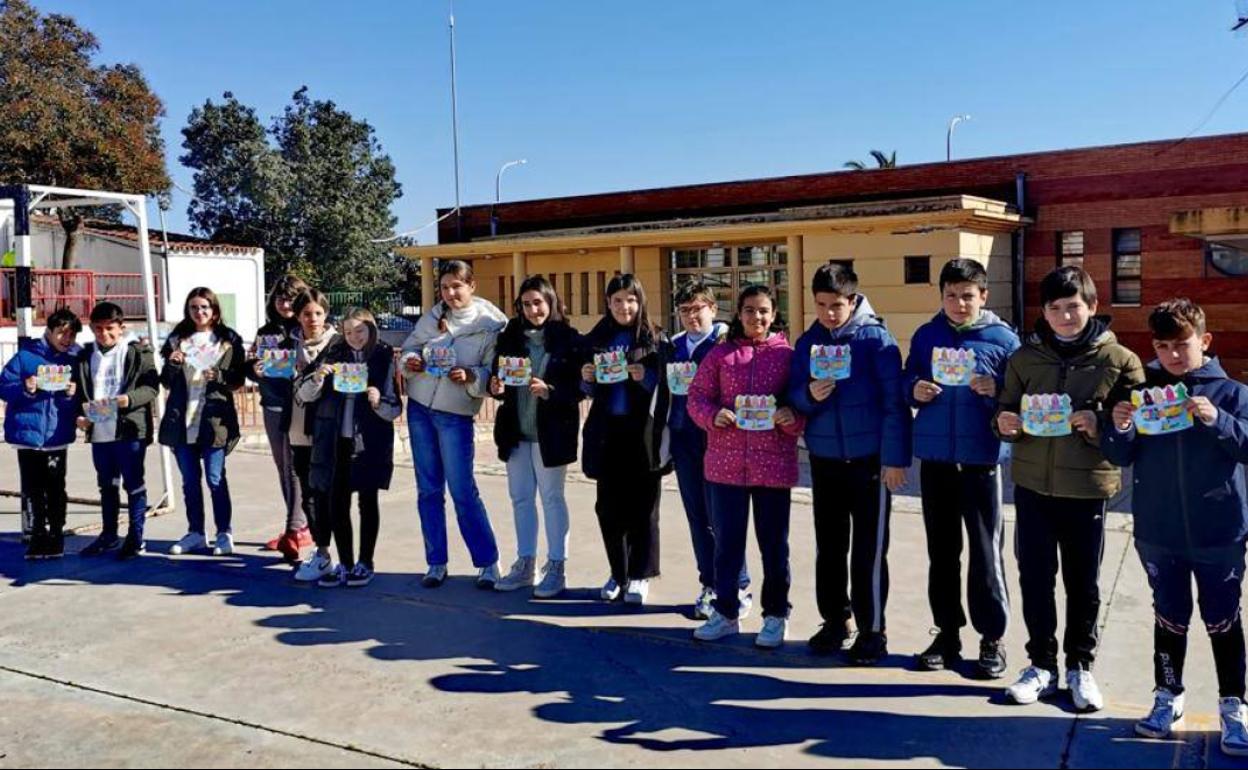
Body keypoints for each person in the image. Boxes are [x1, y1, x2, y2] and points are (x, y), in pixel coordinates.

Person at [1102, 298, 1248, 754]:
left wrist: (1217, 420)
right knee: (1169, 617)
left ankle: (1234, 705)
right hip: (1159, 531)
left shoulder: (1233, 394)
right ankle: (1168, 696)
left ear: (1204, 341)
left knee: (1223, 619)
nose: (1172, 355)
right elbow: (1117, 454)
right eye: (1162, 346)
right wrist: (1120, 426)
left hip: (1219, 531)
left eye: (1181, 345)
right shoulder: (1142, 393)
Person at [996, 265, 1144, 711]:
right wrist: (1004, 423)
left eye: (1074, 306)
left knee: (1083, 583)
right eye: (1055, 308)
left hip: (1087, 489)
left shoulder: (1119, 360)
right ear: (1044, 312)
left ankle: (1081, 665)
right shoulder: (1024, 358)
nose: (1065, 316)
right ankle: (1041, 665)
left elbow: (1137, 426)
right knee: (1035, 578)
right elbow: (1004, 409)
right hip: (1032, 487)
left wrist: (1100, 425)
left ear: (1093, 307)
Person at [789, 262, 912, 666]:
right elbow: (793, 395)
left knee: (868, 552)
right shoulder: (809, 342)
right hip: (825, 460)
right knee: (829, 547)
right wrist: (809, 395)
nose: (829, 313)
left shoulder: (876, 340)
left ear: (853, 300)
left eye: (837, 305)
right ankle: (835, 620)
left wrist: (894, 460)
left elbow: (895, 404)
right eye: (821, 304)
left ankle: (872, 631)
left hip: (869, 462)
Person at [904, 258, 1020, 679]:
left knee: (986, 553)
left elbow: (1020, 396)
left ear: (983, 296)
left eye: (968, 295)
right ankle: (947, 634)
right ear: (941, 296)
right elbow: (907, 379)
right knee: (942, 553)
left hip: (981, 461)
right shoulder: (926, 335)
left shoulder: (1004, 340)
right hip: (936, 461)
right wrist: (914, 389)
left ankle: (992, 638)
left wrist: (997, 390)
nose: (959, 303)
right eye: (951, 295)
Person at [687, 286, 804, 647]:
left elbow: (802, 403)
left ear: (774, 314)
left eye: (764, 310)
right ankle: (726, 612)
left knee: (774, 547)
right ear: (738, 314)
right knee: (727, 546)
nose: (757, 317)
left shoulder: (787, 356)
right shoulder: (720, 355)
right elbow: (696, 397)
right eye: (750, 310)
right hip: (726, 466)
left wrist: (791, 417)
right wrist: (712, 415)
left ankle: (775, 615)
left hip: (773, 465)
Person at [400, 260, 508, 589]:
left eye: (457, 286)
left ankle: (488, 562)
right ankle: (436, 562)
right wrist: (411, 362)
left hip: (455, 415)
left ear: (471, 286)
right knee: (428, 490)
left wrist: (471, 376)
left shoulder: (491, 326)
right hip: (420, 410)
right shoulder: (432, 317)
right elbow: (410, 348)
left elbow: (492, 372)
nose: (450, 293)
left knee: (462, 490)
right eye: (445, 287)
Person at [488, 276, 584, 598]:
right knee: (520, 498)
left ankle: (556, 566)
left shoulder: (568, 339)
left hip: (551, 433)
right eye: (526, 304)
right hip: (516, 432)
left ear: (550, 302)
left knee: (552, 498)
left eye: (538, 303)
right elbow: (497, 378)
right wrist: (495, 386)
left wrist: (551, 391)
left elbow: (580, 388)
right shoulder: (509, 337)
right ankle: (525, 563)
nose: (533, 310)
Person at [298, 308, 402, 588]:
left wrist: (378, 401)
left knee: (368, 501)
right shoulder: (334, 353)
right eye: (348, 332)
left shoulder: (382, 355)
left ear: (372, 330)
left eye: (360, 331)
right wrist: (318, 377)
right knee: (337, 501)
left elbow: (395, 407)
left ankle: (365, 562)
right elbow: (304, 394)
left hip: (368, 442)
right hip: (336, 439)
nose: (354, 337)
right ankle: (344, 563)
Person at [580, 274, 664, 605]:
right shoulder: (597, 337)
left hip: (642, 433)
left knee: (644, 507)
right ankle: (618, 572)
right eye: (617, 300)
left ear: (640, 301)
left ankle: (640, 574)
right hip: (607, 432)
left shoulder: (655, 338)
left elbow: (667, 387)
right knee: (608, 507)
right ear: (608, 303)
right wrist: (586, 377)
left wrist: (647, 377)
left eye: (631, 299)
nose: (624, 306)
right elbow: (585, 388)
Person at [160, 288, 248, 557]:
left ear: (214, 310)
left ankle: (224, 533)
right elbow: (165, 381)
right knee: (189, 481)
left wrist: (219, 375)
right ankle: (196, 532)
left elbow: (238, 379)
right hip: (182, 419)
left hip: (214, 420)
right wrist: (173, 364)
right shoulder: (177, 340)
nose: (199, 312)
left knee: (214, 478)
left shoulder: (228, 340)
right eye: (194, 307)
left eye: (204, 307)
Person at [0, 308, 82, 559]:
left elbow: (82, 396)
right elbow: (3, 386)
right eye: (62, 333)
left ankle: (56, 534)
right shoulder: (25, 356)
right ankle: (37, 534)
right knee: (33, 488)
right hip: (28, 436)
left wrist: (71, 395)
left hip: (57, 435)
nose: (66, 339)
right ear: (49, 331)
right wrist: (25, 388)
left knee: (56, 487)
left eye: (71, 335)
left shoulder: (75, 358)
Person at [249, 274, 312, 561]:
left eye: (290, 299)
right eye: (280, 298)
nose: (285, 304)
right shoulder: (265, 332)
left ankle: (295, 528)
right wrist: (254, 369)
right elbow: (254, 364)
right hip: (272, 403)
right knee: (282, 466)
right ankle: (300, 525)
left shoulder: (306, 328)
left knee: (296, 466)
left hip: (300, 404)